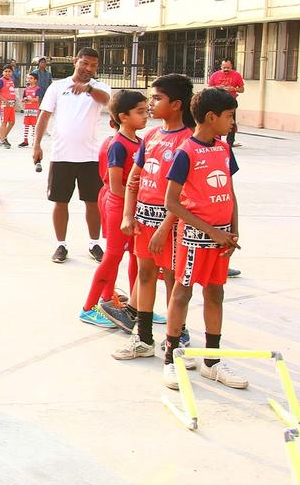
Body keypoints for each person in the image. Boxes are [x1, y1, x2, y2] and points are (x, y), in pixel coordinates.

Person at [161, 87, 246, 391]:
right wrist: (212, 231)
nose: (232, 123)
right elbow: (172, 202)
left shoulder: (224, 149)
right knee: (182, 294)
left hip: (222, 239)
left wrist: (233, 231)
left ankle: (212, 361)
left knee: (216, 295)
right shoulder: (186, 152)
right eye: (229, 116)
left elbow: (230, 192)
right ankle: (171, 358)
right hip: (195, 238)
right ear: (211, 117)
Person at [107, 74, 195, 360]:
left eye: (157, 98)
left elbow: (184, 195)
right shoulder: (152, 137)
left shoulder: (189, 141)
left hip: (171, 225)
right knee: (145, 274)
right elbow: (134, 178)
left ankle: (176, 337)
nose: (151, 104)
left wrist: (165, 226)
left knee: (172, 279)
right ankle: (143, 338)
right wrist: (128, 214)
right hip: (144, 220)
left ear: (177, 104)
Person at [31, 48, 111, 264]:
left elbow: (106, 101)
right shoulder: (57, 87)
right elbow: (44, 116)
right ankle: (61, 245)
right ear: (75, 61)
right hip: (61, 156)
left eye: (93, 65)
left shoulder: (100, 88)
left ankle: (94, 243)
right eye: (84, 63)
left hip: (91, 158)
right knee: (60, 202)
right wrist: (36, 145)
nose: (88, 69)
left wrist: (88, 88)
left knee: (93, 203)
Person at [78, 91, 147, 328]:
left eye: (146, 110)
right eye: (140, 111)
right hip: (120, 206)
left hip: (131, 206)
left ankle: (135, 306)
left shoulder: (139, 142)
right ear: (123, 117)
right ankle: (89, 307)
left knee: (137, 257)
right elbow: (116, 186)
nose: (146, 115)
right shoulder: (118, 144)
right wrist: (130, 210)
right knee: (113, 257)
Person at [208, 58, 245, 147]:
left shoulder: (237, 75)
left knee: (231, 122)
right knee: (217, 120)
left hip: (231, 102)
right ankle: (217, 140)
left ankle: (230, 142)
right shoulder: (215, 75)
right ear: (221, 66)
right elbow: (208, 88)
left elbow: (242, 89)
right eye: (224, 67)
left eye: (228, 67)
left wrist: (234, 89)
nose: (226, 69)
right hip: (217, 101)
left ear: (231, 67)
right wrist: (218, 88)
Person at [0, 66, 17, 148]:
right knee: (4, 122)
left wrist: (14, 99)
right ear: (3, 72)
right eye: (6, 71)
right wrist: (5, 100)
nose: (7, 73)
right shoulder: (1, 81)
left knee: (12, 122)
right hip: (4, 105)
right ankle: (2, 140)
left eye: (9, 71)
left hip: (11, 105)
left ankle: (3, 137)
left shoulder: (11, 80)